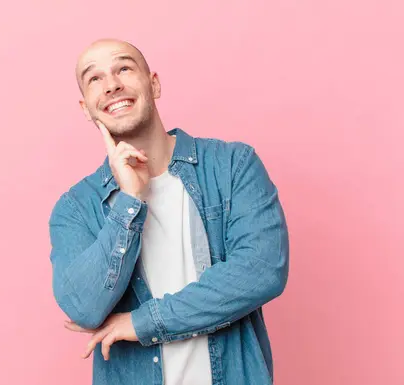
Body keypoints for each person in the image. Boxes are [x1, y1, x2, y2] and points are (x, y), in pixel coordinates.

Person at [48, 38, 290, 385]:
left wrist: (142, 322)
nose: (112, 84)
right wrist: (129, 202)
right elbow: (83, 307)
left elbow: (261, 270)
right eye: (95, 78)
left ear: (154, 84)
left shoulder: (232, 166)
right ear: (86, 108)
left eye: (124, 68)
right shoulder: (75, 208)